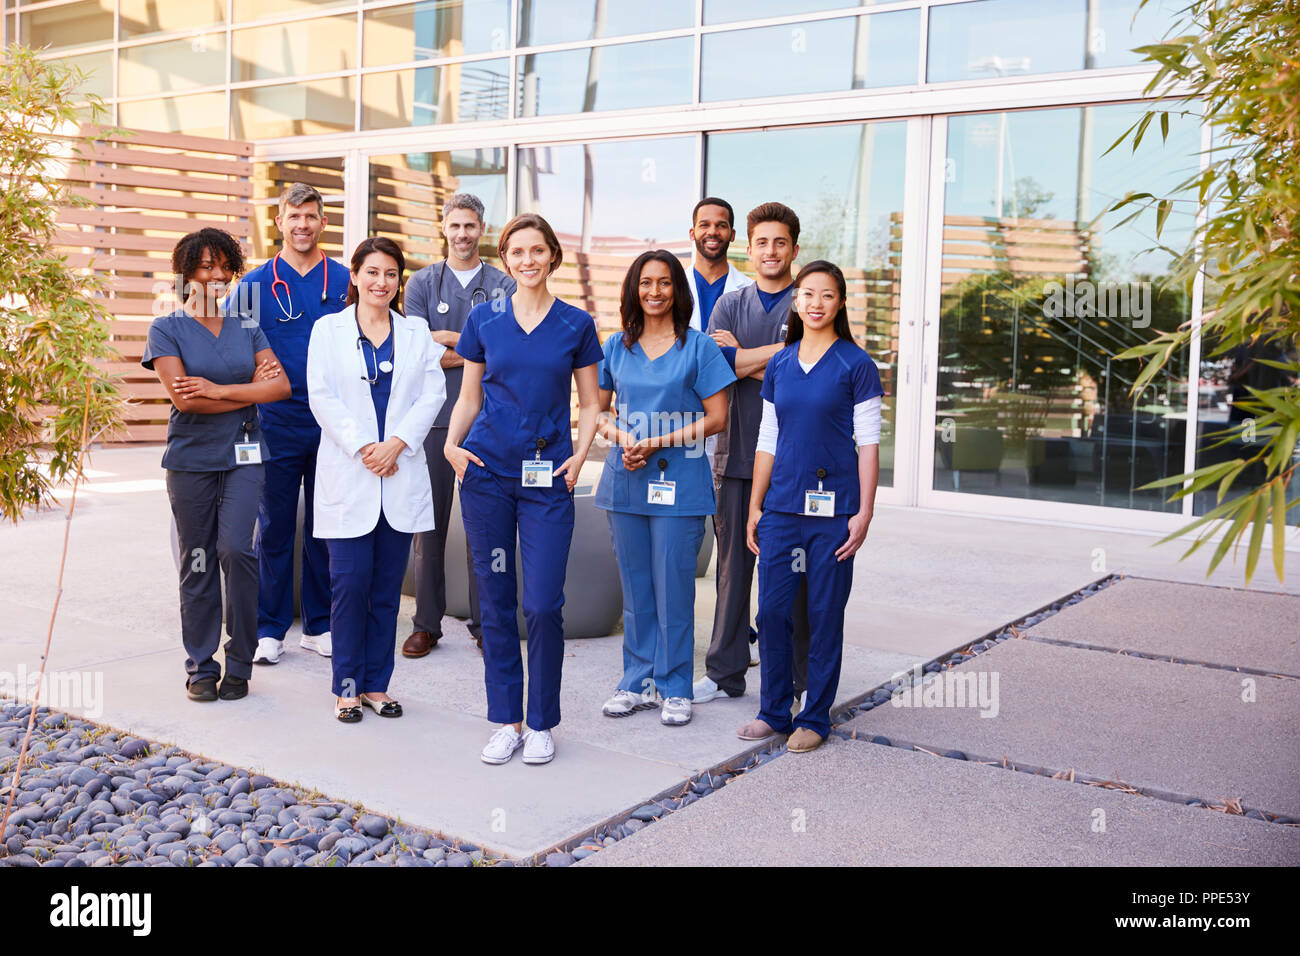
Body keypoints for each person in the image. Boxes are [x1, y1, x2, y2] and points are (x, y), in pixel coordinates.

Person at [444, 213, 602, 766]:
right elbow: (469, 397)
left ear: (551, 257)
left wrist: (581, 455)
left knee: (540, 604)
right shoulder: (483, 320)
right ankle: (506, 720)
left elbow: (591, 402)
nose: (527, 261)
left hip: (548, 481)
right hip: (486, 475)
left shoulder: (576, 325)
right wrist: (450, 446)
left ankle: (541, 722)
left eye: (537, 251)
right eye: (517, 252)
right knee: (495, 600)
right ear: (505, 259)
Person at [143, 228, 291, 702]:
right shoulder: (165, 329)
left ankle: (242, 659)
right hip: (190, 460)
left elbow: (280, 388)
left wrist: (217, 389)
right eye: (205, 266)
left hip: (246, 454)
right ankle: (201, 664)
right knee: (197, 558)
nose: (216, 275)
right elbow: (185, 403)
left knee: (236, 550)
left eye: (224, 266)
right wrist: (247, 388)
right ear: (186, 273)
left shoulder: (246, 324)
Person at [741, 260, 882, 752]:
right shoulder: (780, 363)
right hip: (781, 510)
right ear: (796, 302)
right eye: (808, 294)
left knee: (823, 613)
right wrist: (755, 507)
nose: (816, 303)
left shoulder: (856, 365)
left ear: (840, 302)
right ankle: (773, 711)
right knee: (774, 613)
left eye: (827, 294)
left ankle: (815, 717)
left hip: (834, 515)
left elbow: (868, 444)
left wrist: (863, 513)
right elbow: (767, 438)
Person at [306, 237, 445, 722]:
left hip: (399, 470)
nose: (380, 282)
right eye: (372, 272)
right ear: (355, 276)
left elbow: (433, 392)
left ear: (398, 281)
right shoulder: (328, 330)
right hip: (352, 471)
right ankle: (346, 686)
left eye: (390, 274)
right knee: (348, 585)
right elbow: (321, 395)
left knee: (386, 591)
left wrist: (398, 443)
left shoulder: (416, 332)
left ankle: (376, 685)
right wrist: (365, 446)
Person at [594, 251, 735, 726]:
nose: (654, 292)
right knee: (635, 590)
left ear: (679, 290)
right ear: (634, 289)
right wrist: (622, 439)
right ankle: (636, 681)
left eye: (665, 283)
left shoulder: (699, 348)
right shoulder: (616, 346)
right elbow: (596, 412)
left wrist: (657, 442)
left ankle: (675, 686)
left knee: (673, 586)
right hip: (626, 479)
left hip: (681, 481)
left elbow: (718, 417)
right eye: (646, 283)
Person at [695, 201, 812, 706]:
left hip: (796, 460)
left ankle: (800, 680)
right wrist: (778, 358)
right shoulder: (729, 304)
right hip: (736, 454)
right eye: (761, 242)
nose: (770, 251)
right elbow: (716, 367)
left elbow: (810, 374)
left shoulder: (809, 302)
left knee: (793, 574)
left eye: (780, 242)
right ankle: (725, 673)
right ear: (749, 246)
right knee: (732, 570)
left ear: (794, 249)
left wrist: (745, 358)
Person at [231, 183, 351, 667]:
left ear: (323, 223)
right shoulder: (254, 285)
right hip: (275, 422)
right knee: (274, 526)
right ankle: (269, 628)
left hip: (332, 424)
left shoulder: (345, 281)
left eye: (311, 216)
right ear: (278, 222)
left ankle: (319, 624)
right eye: (293, 216)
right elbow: (233, 349)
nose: (302, 224)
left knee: (327, 525)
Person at [402, 193, 516, 658]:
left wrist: (447, 341)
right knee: (428, 527)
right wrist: (472, 345)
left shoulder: (504, 285)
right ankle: (427, 622)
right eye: (456, 225)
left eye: (471, 225)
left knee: (482, 530)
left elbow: (503, 352)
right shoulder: (420, 284)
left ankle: (486, 623)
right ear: (443, 228)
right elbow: (415, 351)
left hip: (486, 424)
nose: (464, 234)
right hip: (431, 420)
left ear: (482, 229)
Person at [687, 197, 752, 332]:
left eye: (721, 225)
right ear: (692, 233)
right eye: (704, 225)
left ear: (732, 235)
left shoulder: (750, 290)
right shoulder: (674, 285)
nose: (712, 232)